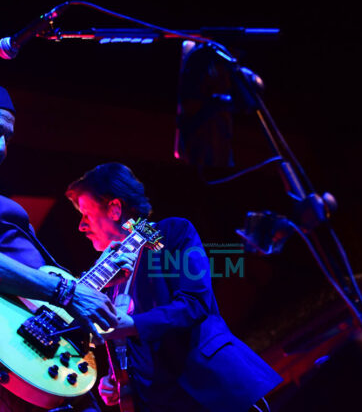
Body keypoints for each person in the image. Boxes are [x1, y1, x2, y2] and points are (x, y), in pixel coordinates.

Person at [65, 162, 283, 412]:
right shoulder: (110, 282)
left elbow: (194, 303)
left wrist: (133, 325)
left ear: (114, 209)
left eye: (86, 214)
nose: (81, 226)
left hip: (210, 392)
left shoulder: (169, 234)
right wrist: (119, 382)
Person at [0, 87, 135, 412]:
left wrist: (86, 284)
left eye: (8, 137)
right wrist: (67, 292)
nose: (3, 147)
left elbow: (30, 280)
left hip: (37, 358)